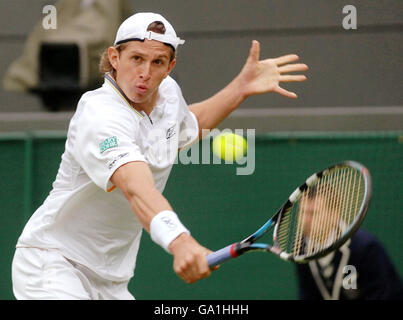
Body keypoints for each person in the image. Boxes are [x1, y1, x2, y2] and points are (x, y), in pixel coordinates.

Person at [12, 12, 308, 300]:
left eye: (158, 62)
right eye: (136, 58)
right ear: (115, 58)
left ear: (170, 65)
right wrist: (181, 242)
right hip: (53, 265)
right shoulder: (100, 114)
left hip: (112, 280)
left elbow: (188, 127)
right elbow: (136, 188)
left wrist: (240, 89)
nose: (145, 72)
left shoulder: (167, 94)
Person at [295, 185, 403, 300]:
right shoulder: (300, 249)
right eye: (303, 212)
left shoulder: (366, 248)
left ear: (334, 214)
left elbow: (386, 295)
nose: (306, 220)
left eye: (313, 213)